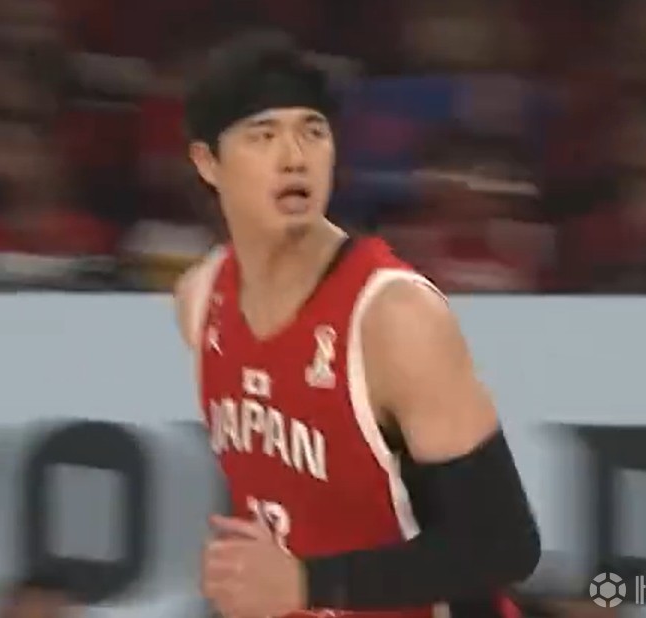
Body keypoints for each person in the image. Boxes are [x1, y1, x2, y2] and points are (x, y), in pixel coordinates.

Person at [174, 31, 540, 618]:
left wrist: (309, 584)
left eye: (312, 132)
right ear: (207, 163)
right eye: (263, 136)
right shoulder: (200, 299)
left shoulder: (393, 317)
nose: (294, 157)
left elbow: (503, 545)